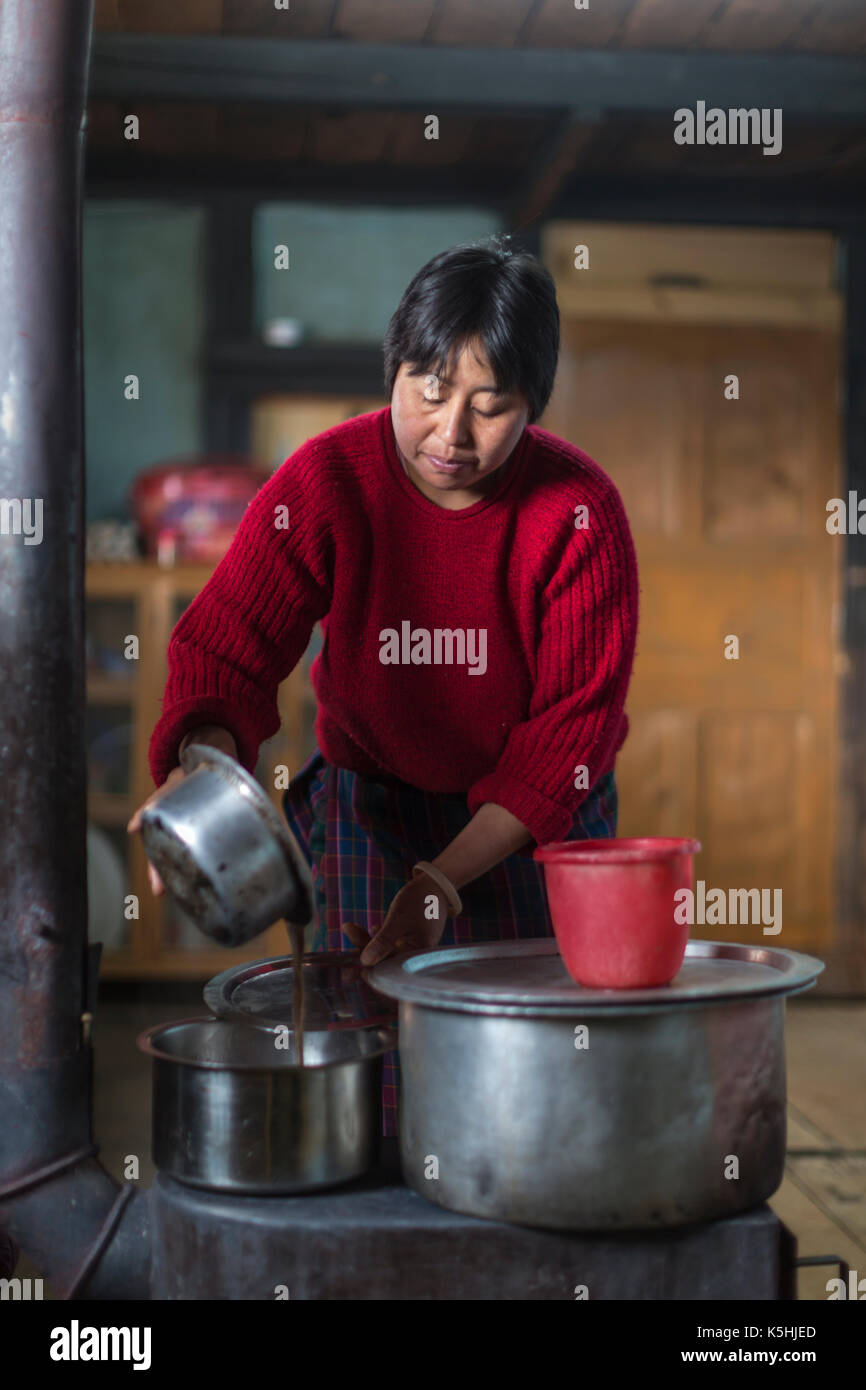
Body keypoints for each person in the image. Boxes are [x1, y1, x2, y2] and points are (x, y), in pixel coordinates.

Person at [128, 236, 639, 1136]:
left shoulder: (578, 514)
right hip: (375, 804)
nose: (451, 434)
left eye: (492, 405)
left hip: (534, 821)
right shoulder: (326, 481)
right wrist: (194, 773)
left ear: (534, 406)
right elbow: (227, 652)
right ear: (394, 369)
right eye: (429, 391)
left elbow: (568, 741)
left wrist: (444, 881)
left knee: (537, 1071)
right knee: (372, 1065)